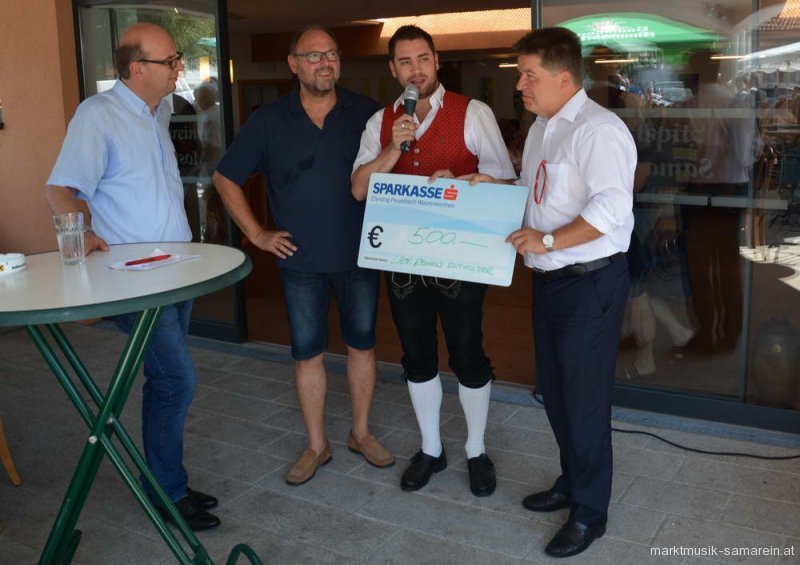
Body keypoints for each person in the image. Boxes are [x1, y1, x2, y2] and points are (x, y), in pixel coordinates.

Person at [45, 23, 220, 531]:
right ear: (136, 68)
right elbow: (60, 189)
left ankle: (164, 479)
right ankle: (167, 492)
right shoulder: (97, 115)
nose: (179, 68)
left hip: (176, 270)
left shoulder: (159, 110)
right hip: (134, 278)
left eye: (177, 59)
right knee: (177, 379)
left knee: (164, 379)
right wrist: (83, 233)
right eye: (170, 61)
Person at [471, 28, 636, 557]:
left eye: (529, 75)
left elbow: (612, 209)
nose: (519, 84)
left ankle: (590, 514)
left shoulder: (599, 130)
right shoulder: (543, 127)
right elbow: (537, 194)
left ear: (564, 78)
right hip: (550, 284)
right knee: (558, 395)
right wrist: (496, 188)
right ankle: (572, 482)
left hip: (589, 284)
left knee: (584, 402)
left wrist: (546, 240)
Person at [212, 25, 394, 486]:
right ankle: (317, 445)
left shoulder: (367, 114)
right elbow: (225, 177)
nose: (324, 63)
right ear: (294, 64)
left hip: (359, 256)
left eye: (331, 54)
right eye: (313, 56)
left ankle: (360, 433)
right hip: (300, 263)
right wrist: (256, 233)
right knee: (307, 354)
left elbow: (398, 168)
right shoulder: (269, 120)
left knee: (362, 346)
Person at [351, 25, 515, 497]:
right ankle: (431, 448)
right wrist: (392, 148)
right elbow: (359, 188)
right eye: (405, 61)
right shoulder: (381, 121)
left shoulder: (473, 111)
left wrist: (463, 181)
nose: (415, 69)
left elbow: (506, 183)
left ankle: (476, 450)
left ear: (437, 60)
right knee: (416, 355)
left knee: (467, 353)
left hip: (460, 259)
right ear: (393, 69)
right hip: (403, 262)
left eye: (423, 58)